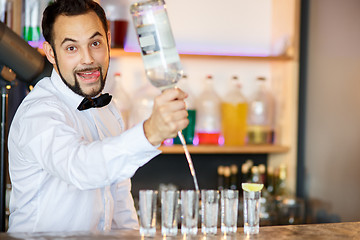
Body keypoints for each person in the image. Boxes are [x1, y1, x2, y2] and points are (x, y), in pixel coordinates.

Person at [7, 0, 189, 232]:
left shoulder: (108, 111)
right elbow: (81, 167)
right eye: (71, 48)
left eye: (95, 43)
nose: (88, 59)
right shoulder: (39, 113)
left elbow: (120, 204)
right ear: (51, 53)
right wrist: (150, 132)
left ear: (109, 41)